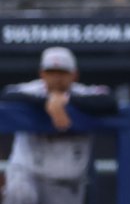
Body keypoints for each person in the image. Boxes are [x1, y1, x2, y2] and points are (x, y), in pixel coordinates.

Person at [0, 47, 117, 204]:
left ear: (74, 75)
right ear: (42, 73)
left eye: (62, 72)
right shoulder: (30, 90)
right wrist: (46, 102)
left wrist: (67, 101)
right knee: (20, 192)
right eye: (51, 72)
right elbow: (7, 95)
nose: (56, 77)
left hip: (66, 184)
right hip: (29, 176)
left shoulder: (83, 92)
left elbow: (110, 102)